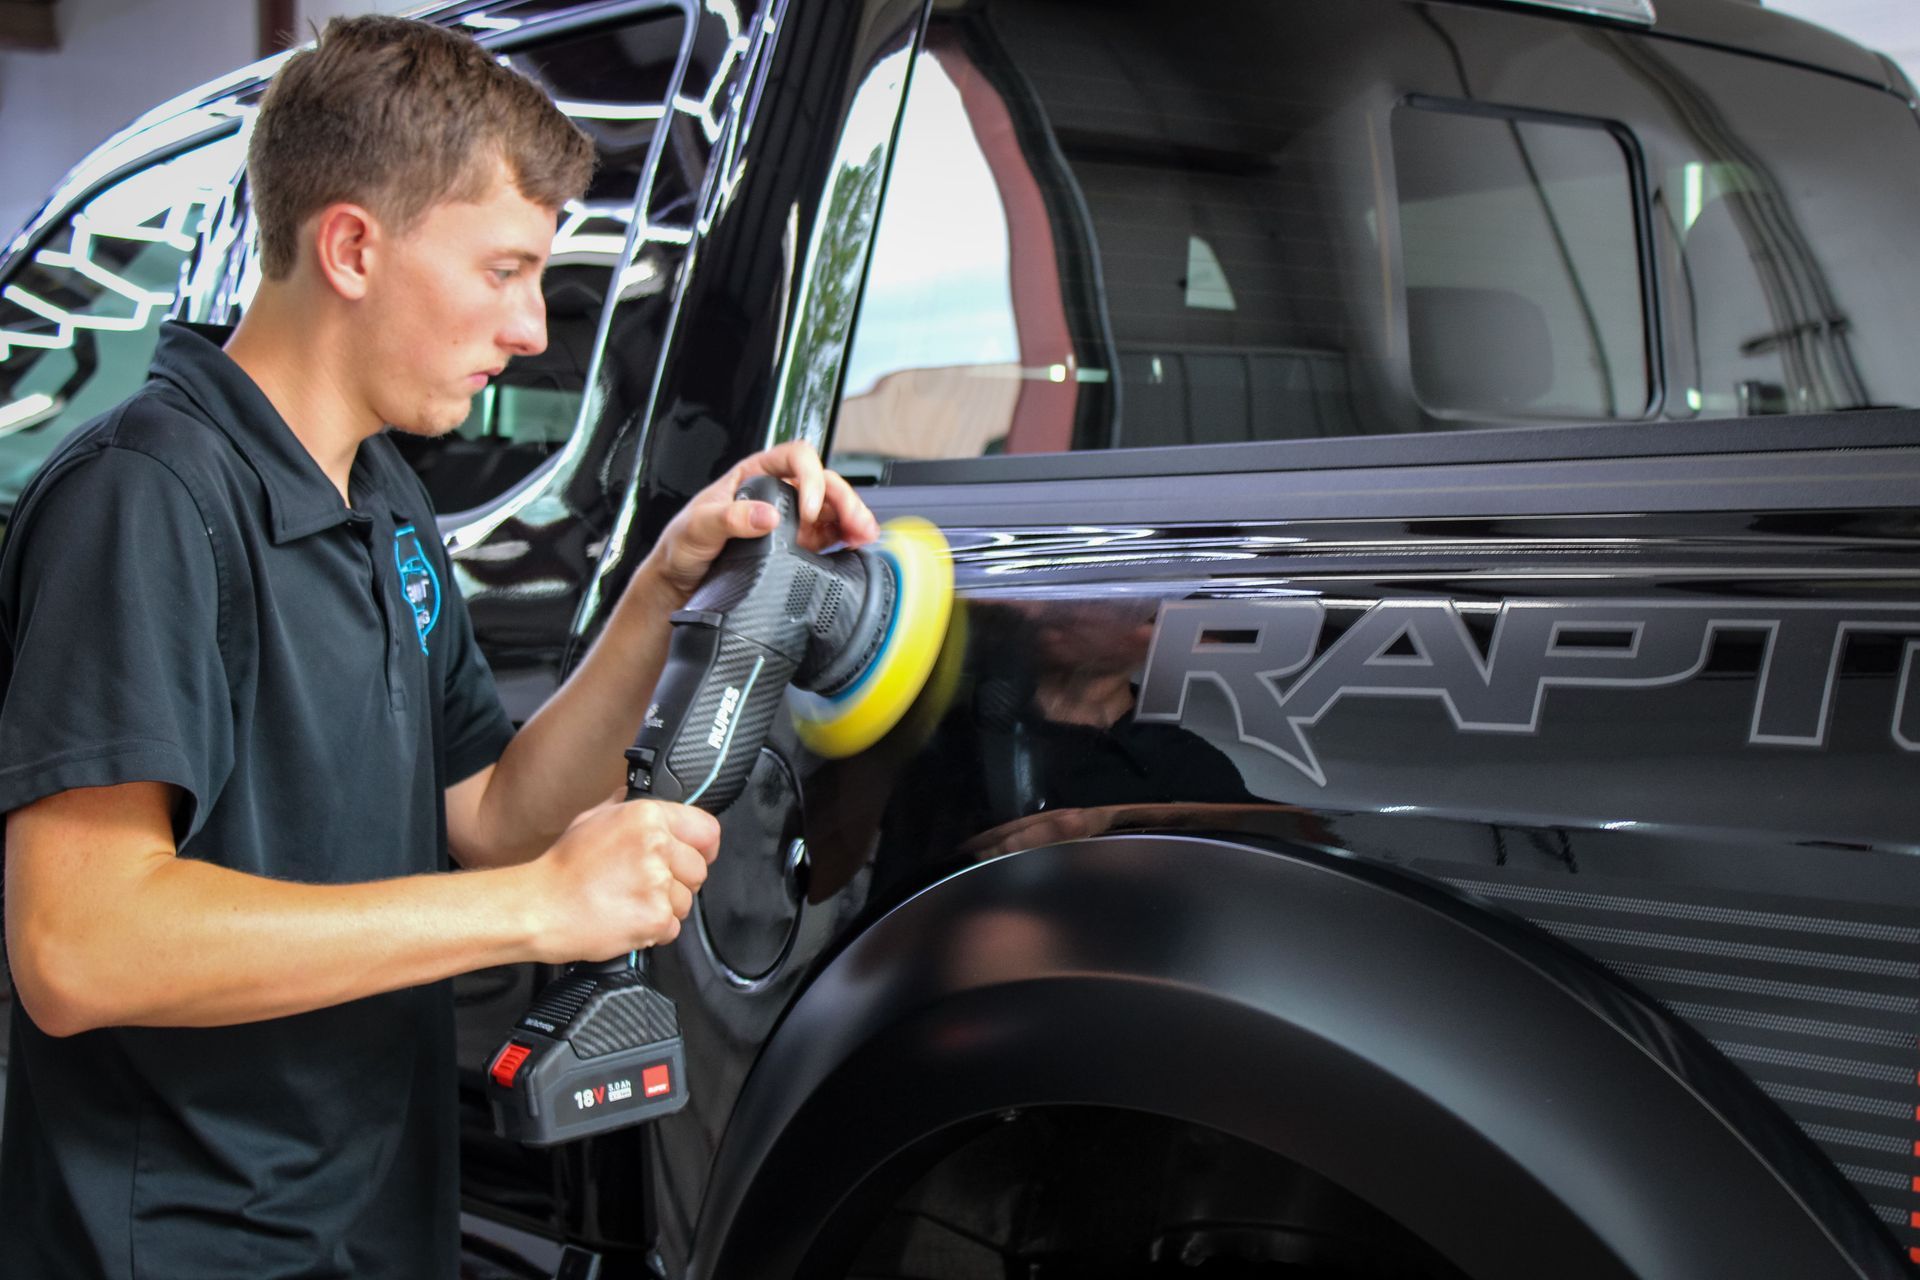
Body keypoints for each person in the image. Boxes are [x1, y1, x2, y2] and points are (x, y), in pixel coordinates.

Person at [0, 16, 876, 1278]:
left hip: (374, 1226)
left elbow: (497, 814)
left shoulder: (381, 497)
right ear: (352, 247)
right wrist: (536, 907)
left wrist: (661, 591)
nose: (532, 328)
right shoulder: (147, 499)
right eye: (503, 269)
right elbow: (80, 945)